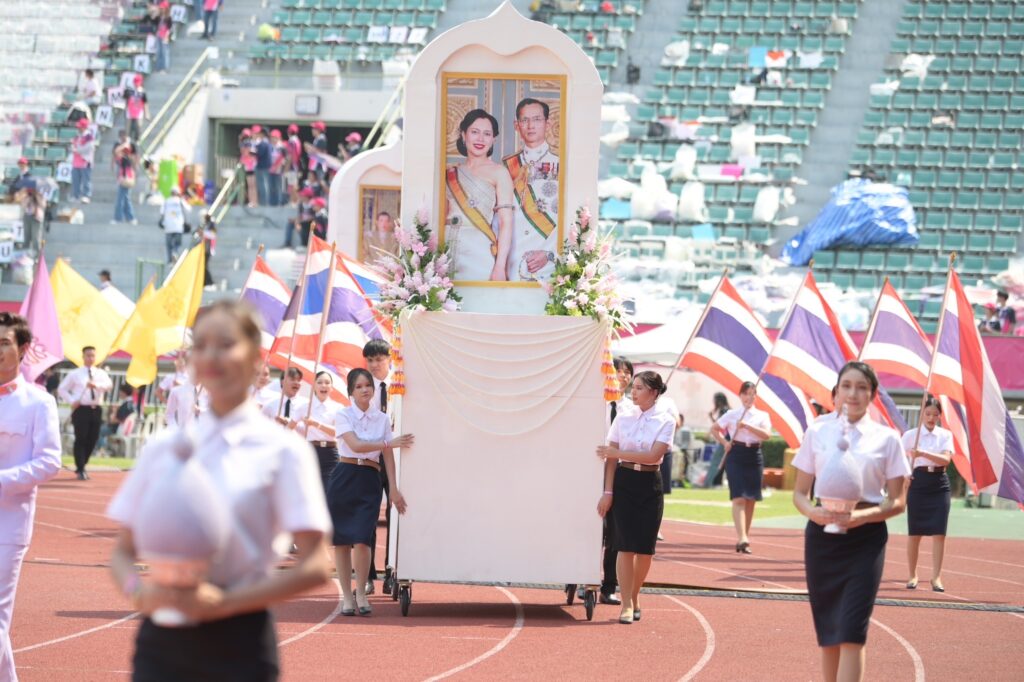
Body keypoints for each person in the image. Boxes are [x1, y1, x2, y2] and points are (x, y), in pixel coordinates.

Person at [107, 300, 333, 681]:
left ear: (254, 358)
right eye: (202, 344)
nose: (212, 355)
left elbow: (316, 565)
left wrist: (224, 604)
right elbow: (121, 551)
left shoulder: (284, 450)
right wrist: (138, 592)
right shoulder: (163, 448)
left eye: (226, 344)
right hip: (161, 641)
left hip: (239, 641)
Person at [791, 361, 910, 682]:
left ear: (872, 394)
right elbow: (800, 494)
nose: (853, 393)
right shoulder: (817, 431)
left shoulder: (887, 439)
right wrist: (813, 513)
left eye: (861, 387)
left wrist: (861, 517)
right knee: (829, 629)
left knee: (852, 630)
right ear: (836, 392)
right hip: (822, 536)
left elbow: (897, 501)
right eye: (846, 386)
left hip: (866, 539)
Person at [0, 312, 62, 681]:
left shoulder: (39, 403)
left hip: (9, 523)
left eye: (4, 343)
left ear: (23, 349)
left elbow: (50, 462)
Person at [328, 368, 412, 616]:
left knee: (363, 539)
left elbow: (388, 456)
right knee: (341, 541)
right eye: (359, 387)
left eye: (368, 386)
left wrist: (394, 490)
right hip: (344, 475)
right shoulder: (343, 414)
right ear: (351, 392)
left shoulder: (383, 419)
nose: (365, 390)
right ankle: (346, 596)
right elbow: (355, 444)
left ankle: (362, 592)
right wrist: (388, 443)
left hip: (369, 479)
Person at [596, 371, 676, 624]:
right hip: (624, 482)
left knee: (645, 549)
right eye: (634, 386)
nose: (634, 391)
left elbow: (654, 456)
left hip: (650, 484)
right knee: (624, 545)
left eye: (640, 388)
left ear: (654, 392)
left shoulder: (666, 420)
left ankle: (635, 594)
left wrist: (619, 452)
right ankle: (627, 603)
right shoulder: (623, 416)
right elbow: (610, 459)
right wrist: (607, 492)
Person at [445, 109, 515, 282]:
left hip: (478, 249)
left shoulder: (499, 172)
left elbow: (507, 222)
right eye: (474, 132)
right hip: (445, 249)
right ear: (463, 135)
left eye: (487, 134)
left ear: (493, 140)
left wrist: (500, 266)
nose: (480, 139)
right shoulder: (450, 172)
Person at [710, 381, 772, 554]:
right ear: (740, 395)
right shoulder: (732, 414)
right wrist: (724, 442)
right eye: (746, 393)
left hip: (754, 456)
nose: (749, 397)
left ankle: (745, 535)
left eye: (753, 394)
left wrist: (747, 426)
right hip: (736, 454)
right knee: (739, 497)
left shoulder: (762, 415)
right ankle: (742, 537)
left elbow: (767, 434)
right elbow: (714, 429)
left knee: (751, 498)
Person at [503, 98, 559, 282]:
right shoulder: (505, 166)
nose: (530, 126)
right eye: (524, 120)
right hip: (512, 258)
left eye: (536, 119)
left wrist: (549, 253)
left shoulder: (562, 166)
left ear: (547, 123)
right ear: (516, 125)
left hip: (548, 258)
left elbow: (570, 217)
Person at [902, 396, 953, 592]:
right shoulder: (910, 436)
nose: (931, 418)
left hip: (939, 484)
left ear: (940, 416)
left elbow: (945, 460)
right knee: (915, 533)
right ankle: (912, 575)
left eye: (935, 414)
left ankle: (936, 577)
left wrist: (922, 453)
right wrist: (905, 475)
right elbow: (898, 458)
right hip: (918, 483)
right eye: (928, 413)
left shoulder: (945, 435)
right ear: (922, 413)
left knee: (939, 533)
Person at [58, 345, 113, 479]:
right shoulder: (75, 374)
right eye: (88, 355)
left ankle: (83, 463)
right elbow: (62, 389)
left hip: (96, 409)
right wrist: (72, 401)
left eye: (93, 355)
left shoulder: (100, 373)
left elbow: (109, 386)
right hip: (81, 408)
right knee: (81, 438)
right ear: (83, 357)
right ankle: (80, 468)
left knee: (93, 438)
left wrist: (96, 385)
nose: (90, 358)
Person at [363, 339, 391, 594]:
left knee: (396, 517)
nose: (374, 365)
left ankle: (392, 570)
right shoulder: (362, 389)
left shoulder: (400, 384)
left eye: (378, 359)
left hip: (396, 457)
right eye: (370, 360)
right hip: (371, 458)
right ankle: (369, 575)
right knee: (368, 518)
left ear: (389, 359)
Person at [298, 372, 341, 491]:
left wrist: (316, 424)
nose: (323, 385)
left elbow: (339, 432)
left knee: (329, 492)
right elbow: (290, 428)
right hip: (311, 451)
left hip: (330, 454)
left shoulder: (338, 407)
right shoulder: (305, 406)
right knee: (310, 491)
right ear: (314, 386)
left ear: (331, 387)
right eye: (320, 382)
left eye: (327, 383)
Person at [704, 392, 730, 488]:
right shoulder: (727, 410)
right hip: (727, 438)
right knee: (723, 463)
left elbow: (720, 425)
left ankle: (708, 483)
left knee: (715, 462)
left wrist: (712, 417)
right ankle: (714, 483)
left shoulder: (724, 410)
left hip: (725, 439)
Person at [100, 383, 137, 451]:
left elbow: (117, 420)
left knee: (98, 431)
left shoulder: (126, 405)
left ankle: (102, 450)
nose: (119, 393)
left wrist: (115, 411)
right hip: (122, 428)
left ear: (124, 393)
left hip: (118, 428)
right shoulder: (131, 403)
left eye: (120, 391)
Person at [113, 132, 138, 225]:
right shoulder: (120, 156)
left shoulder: (130, 158)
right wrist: (124, 145)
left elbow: (134, 162)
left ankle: (118, 218)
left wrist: (128, 147)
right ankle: (131, 218)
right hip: (122, 177)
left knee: (121, 198)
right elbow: (116, 152)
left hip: (128, 177)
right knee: (126, 198)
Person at [160, 187, 191, 263]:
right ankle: (175, 252)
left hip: (168, 227)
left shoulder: (166, 201)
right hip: (178, 226)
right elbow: (189, 209)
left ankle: (170, 260)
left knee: (168, 245)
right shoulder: (180, 201)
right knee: (177, 243)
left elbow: (161, 212)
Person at [70, 118, 95, 204]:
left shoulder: (89, 137)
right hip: (76, 162)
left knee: (86, 180)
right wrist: (73, 148)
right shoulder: (77, 136)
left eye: (80, 127)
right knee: (75, 180)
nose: (78, 128)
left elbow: (89, 148)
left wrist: (77, 150)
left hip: (85, 161)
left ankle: (86, 195)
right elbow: (73, 144)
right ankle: (75, 195)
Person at [125, 75, 149, 142]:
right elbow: (126, 100)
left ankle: (138, 138)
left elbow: (145, 103)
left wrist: (147, 113)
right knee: (128, 125)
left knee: (139, 125)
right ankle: (127, 139)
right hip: (130, 110)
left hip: (139, 110)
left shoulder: (142, 92)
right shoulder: (129, 90)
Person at [254, 128, 272, 206]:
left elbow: (259, 154)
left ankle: (263, 202)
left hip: (262, 166)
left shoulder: (263, 143)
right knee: (265, 184)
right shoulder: (267, 142)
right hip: (265, 166)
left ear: (262, 134)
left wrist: (252, 152)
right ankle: (264, 202)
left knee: (262, 185)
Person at [239, 128, 257, 207]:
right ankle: (252, 202)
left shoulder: (250, 143)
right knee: (251, 186)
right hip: (249, 166)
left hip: (251, 166)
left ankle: (253, 202)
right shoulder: (246, 143)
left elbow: (247, 153)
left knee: (252, 186)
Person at [268, 129, 286, 207]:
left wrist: (280, 166)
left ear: (278, 138)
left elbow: (285, 159)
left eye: (275, 137)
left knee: (279, 187)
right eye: (272, 137)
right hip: (270, 170)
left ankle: (279, 202)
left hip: (279, 170)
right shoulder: (269, 146)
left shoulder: (282, 147)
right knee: (271, 187)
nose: (273, 139)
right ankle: (272, 203)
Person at [201, 214, 217, 288]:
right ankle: (205, 282)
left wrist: (203, 233)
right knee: (203, 266)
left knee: (205, 266)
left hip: (208, 249)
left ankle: (210, 282)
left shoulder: (211, 225)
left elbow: (213, 235)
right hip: (203, 248)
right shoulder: (205, 225)